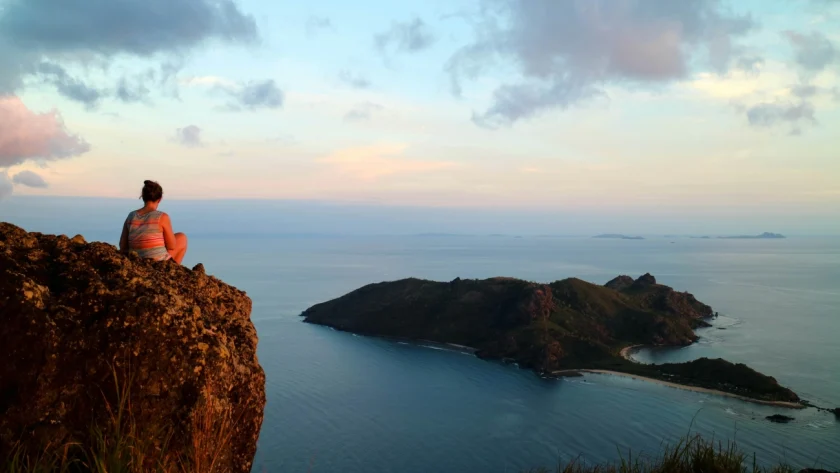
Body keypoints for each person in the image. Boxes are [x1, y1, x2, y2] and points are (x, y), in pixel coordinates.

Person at [119, 180, 188, 264]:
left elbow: (122, 245)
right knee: (182, 237)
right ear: (160, 199)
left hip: (137, 261)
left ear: (143, 196)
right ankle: (174, 269)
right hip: (157, 262)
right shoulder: (162, 217)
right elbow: (171, 246)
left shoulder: (131, 216)